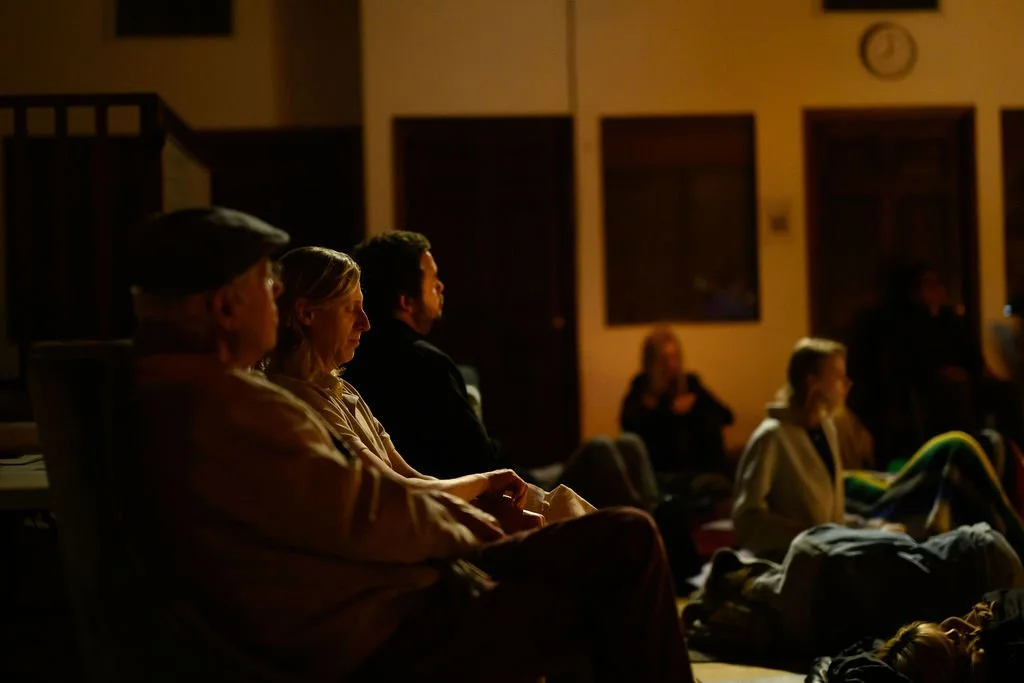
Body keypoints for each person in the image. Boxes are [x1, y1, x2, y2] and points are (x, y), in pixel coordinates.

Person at [128, 207, 694, 683]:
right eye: (265, 288)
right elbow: (368, 511)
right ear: (226, 307)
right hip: (384, 628)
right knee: (625, 541)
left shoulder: (188, 398)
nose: (276, 302)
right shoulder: (230, 407)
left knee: (608, 542)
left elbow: (365, 495)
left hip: (388, 597)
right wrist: (473, 530)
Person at [261, 246, 589, 526]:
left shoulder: (343, 391)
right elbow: (397, 491)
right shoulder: (303, 402)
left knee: (580, 511)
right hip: (426, 530)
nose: (365, 322)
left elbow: (414, 477)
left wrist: (482, 497)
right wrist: (484, 487)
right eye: (351, 309)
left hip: (446, 510)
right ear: (306, 314)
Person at [345, 230, 659, 510]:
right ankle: (655, 536)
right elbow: (480, 460)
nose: (441, 286)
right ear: (406, 301)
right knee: (601, 451)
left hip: (490, 480)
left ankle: (660, 525)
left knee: (627, 446)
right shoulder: (425, 364)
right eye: (432, 279)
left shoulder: (356, 359)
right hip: (504, 493)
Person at [733, 338, 904, 560]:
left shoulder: (827, 429)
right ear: (812, 383)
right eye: (838, 377)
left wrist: (870, 528)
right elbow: (748, 520)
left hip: (827, 555)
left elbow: (830, 521)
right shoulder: (772, 436)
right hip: (792, 560)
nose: (847, 384)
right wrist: (807, 536)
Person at [621, 327, 735, 499]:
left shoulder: (690, 384)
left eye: (675, 357)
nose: (672, 365)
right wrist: (669, 412)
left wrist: (697, 406)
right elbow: (629, 426)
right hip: (662, 470)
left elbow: (727, 416)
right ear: (652, 362)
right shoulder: (641, 387)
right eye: (665, 359)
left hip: (699, 466)